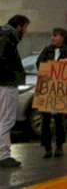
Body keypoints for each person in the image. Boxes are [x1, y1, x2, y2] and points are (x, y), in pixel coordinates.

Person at [36, 28, 67, 158]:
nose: (52, 38)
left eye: (55, 36)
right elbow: (39, 63)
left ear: (63, 38)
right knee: (45, 119)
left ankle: (59, 146)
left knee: (59, 119)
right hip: (47, 88)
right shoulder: (47, 50)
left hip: (60, 89)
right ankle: (47, 147)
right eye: (52, 35)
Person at [0, 15, 29, 168]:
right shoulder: (7, 39)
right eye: (25, 27)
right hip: (7, 84)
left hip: (4, 83)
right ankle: (3, 155)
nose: (25, 31)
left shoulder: (4, 36)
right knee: (7, 120)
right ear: (19, 26)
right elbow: (4, 61)